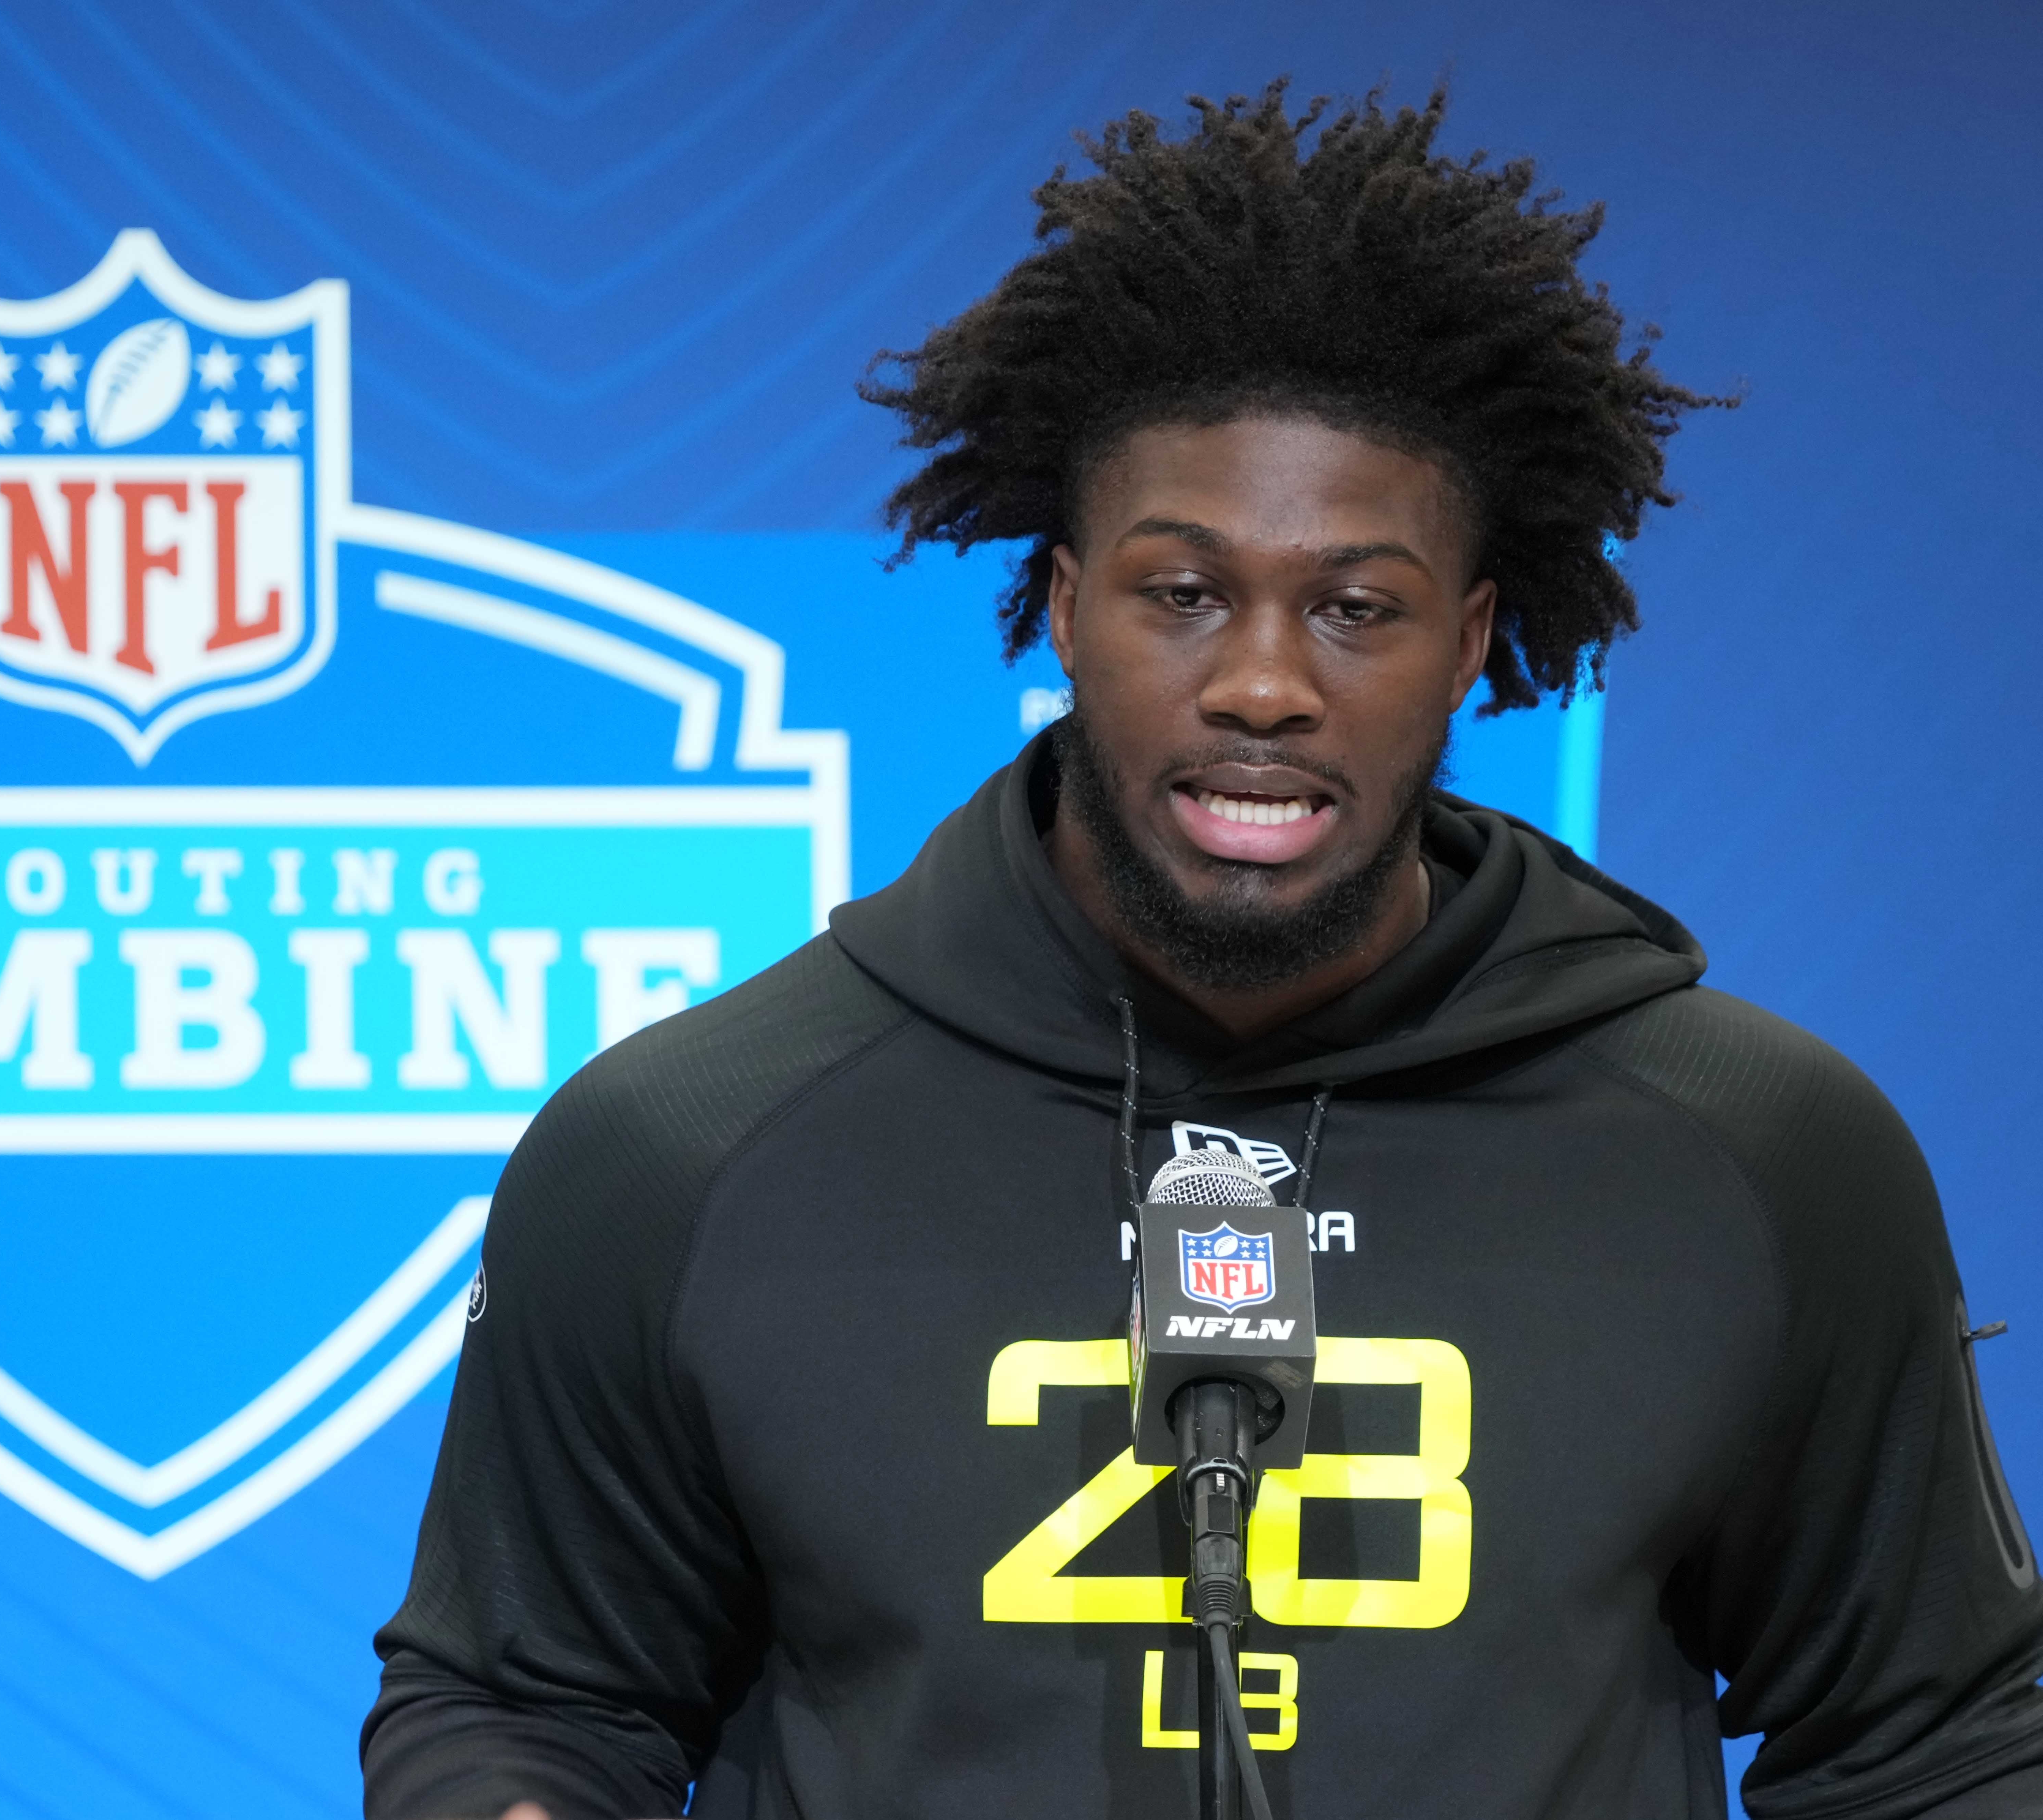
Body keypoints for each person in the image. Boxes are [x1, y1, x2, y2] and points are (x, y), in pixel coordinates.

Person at [360, 84, 2043, 1819]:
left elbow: (1939, 1745)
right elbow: (525, 1699)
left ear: (1472, 640)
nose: (1262, 682)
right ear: (1064, 603)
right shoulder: (681, 1149)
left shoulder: (1762, 1154)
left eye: (1357, 607)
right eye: (1182, 592)